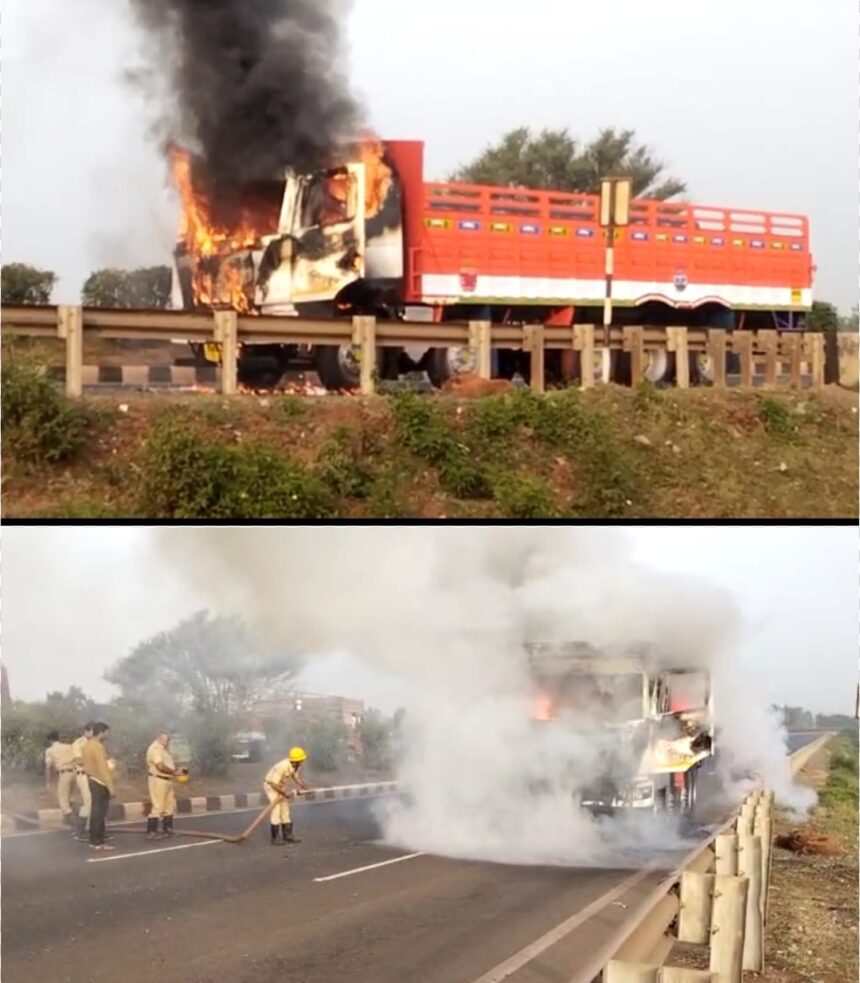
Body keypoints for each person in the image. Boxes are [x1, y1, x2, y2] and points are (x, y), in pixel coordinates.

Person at [263, 746, 311, 845]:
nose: (303, 761)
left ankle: (288, 836)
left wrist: (305, 787)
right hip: (271, 786)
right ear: (297, 760)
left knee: (285, 809)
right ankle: (275, 839)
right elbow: (272, 783)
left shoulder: (295, 766)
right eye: (302, 760)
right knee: (276, 810)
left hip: (280, 785)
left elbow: (296, 777)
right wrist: (284, 792)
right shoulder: (283, 766)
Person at [81, 722, 114, 850]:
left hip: (91, 779)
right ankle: (99, 841)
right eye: (106, 732)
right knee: (100, 813)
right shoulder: (98, 747)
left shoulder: (86, 746)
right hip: (100, 782)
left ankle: (94, 840)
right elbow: (103, 769)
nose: (107, 735)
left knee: (95, 812)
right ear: (101, 732)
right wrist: (111, 788)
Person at [146, 730, 178, 837]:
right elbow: (160, 766)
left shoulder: (163, 750)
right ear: (159, 738)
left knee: (169, 805)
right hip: (158, 779)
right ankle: (151, 831)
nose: (168, 741)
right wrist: (174, 772)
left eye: (168, 739)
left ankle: (167, 828)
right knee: (158, 806)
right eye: (166, 739)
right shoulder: (155, 749)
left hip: (167, 780)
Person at [44, 731, 76, 826]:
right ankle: (75, 815)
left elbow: (48, 767)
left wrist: (48, 781)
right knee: (71, 796)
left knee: (63, 798)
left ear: (50, 740)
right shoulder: (69, 747)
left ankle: (72, 820)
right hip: (76, 772)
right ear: (58, 738)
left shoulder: (49, 750)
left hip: (64, 773)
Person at [70, 722, 94, 841]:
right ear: (86, 731)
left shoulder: (94, 743)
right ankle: (80, 831)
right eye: (92, 731)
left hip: (93, 775)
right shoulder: (79, 743)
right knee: (88, 802)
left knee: (95, 802)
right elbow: (79, 760)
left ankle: (93, 829)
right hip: (83, 775)